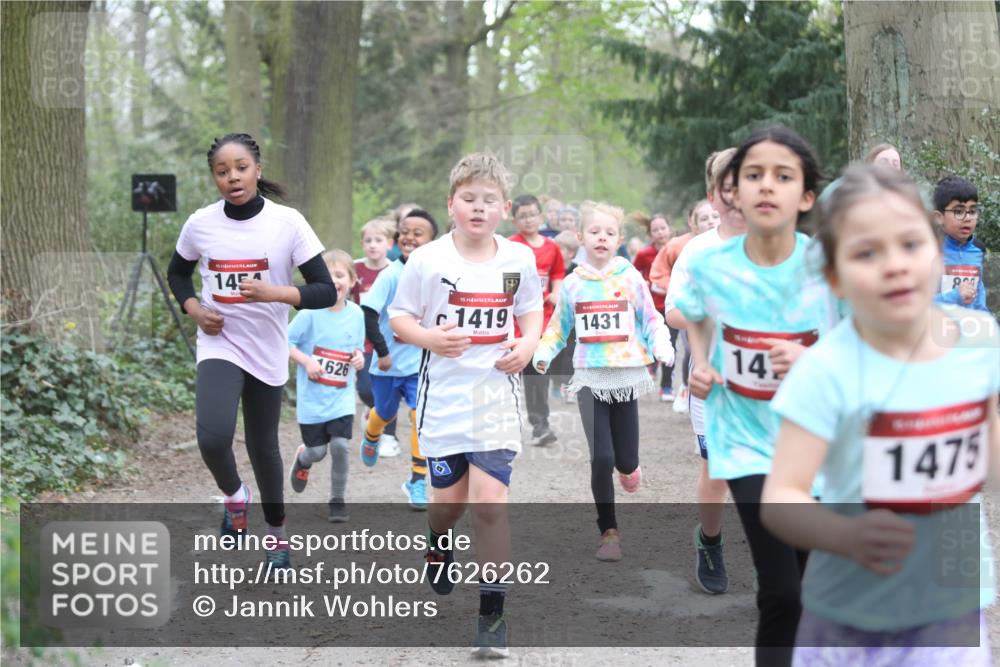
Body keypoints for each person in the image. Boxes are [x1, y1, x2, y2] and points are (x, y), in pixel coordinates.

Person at [762, 164, 997, 666]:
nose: (895, 264)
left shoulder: (981, 342)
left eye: (911, 244)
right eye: (867, 252)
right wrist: (843, 535)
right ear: (834, 277)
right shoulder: (826, 369)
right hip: (851, 617)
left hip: (952, 601)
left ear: (938, 254)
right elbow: (781, 497)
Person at [675, 127, 839, 666]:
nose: (767, 187)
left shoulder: (829, 268)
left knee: (813, 591)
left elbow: (863, 353)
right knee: (782, 593)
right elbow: (695, 316)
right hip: (745, 443)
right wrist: (701, 364)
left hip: (815, 446)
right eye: (753, 176)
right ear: (733, 193)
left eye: (783, 176)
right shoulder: (708, 265)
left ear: (807, 196)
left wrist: (812, 362)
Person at [389, 153, 543, 657]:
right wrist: (430, 338)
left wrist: (526, 345)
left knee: (489, 503)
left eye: (489, 200)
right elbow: (400, 319)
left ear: (503, 208)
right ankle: (437, 540)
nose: (479, 208)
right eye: (470, 199)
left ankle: (492, 614)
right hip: (444, 399)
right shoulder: (428, 259)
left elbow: (531, 312)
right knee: (448, 505)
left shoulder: (517, 259)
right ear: (452, 204)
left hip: (495, 395)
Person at [166, 132, 336, 569]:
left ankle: (277, 535)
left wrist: (274, 293)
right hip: (220, 342)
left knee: (263, 447)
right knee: (212, 437)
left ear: (257, 170)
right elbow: (178, 275)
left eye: (241, 167)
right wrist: (195, 310)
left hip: (267, 347)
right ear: (214, 179)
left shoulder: (288, 223)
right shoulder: (201, 223)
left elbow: (324, 290)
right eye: (222, 172)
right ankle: (235, 496)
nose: (232, 177)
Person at [533, 201, 673, 561]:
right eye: (595, 232)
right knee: (601, 457)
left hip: (626, 376)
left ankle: (630, 469)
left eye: (609, 233)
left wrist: (661, 344)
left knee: (625, 460)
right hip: (590, 377)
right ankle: (609, 531)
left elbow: (651, 318)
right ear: (581, 237)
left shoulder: (630, 277)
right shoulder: (573, 284)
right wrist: (544, 354)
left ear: (619, 239)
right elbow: (557, 328)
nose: (602, 238)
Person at [664, 151, 743, 593]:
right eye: (727, 187)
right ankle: (710, 540)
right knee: (717, 475)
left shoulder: (781, 245)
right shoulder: (698, 249)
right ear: (713, 196)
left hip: (769, 382)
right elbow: (673, 310)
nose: (736, 195)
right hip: (712, 379)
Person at [359, 209, 439, 509]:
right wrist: (381, 352)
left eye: (419, 233)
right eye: (405, 231)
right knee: (385, 412)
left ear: (432, 242)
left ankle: (417, 481)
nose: (410, 237)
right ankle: (371, 433)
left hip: (420, 366)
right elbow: (368, 313)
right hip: (388, 365)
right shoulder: (390, 275)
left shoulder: (436, 276)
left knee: (421, 419)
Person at [287, 250, 366, 522]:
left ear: (352, 281)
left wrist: (359, 357)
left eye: (340, 275)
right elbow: (285, 342)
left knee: (341, 446)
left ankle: (337, 500)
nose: (334, 281)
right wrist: (307, 362)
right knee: (318, 451)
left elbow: (356, 349)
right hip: (312, 400)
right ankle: (303, 459)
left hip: (341, 397)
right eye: (327, 275)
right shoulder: (309, 313)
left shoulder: (356, 314)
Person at [509, 194, 566, 447]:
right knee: (509, 376)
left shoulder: (551, 247)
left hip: (541, 323)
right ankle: (502, 425)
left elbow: (558, 273)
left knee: (537, 375)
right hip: (512, 324)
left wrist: (556, 291)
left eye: (532, 214)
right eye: (522, 216)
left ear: (541, 217)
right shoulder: (511, 246)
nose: (528, 219)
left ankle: (540, 425)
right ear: (514, 220)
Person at [352, 218, 400, 457]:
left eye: (378, 240)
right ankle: (372, 414)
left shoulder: (395, 270)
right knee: (365, 389)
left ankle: (389, 437)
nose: (373, 245)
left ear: (389, 244)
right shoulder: (355, 269)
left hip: (387, 339)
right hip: (362, 339)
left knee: (388, 388)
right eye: (368, 240)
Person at [633, 213, 675, 400]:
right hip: (651, 306)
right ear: (650, 234)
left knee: (670, 344)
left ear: (669, 229)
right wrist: (645, 284)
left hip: (672, 305)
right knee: (651, 339)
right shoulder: (644, 254)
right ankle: (652, 364)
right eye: (655, 230)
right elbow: (633, 275)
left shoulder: (676, 250)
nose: (659, 233)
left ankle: (666, 387)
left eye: (662, 228)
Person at [932, 176, 988, 312]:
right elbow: (917, 305)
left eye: (972, 211)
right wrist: (955, 295)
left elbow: (979, 302)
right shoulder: (928, 250)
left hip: (970, 329)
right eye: (958, 211)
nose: (967, 218)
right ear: (939, 217)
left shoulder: (978, 251)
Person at [551, 230, 581, 403]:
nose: (555, 251)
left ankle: (568, 386)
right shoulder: (548, 270)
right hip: (552, 319)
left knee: (571, 351)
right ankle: (555, 383)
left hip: (573, 319)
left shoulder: (577, 272)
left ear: (571, 252)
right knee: (556, 352)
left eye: (559, 249)